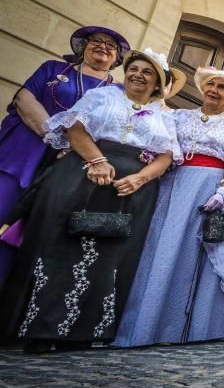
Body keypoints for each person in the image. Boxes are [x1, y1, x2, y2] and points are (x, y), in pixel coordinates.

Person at [2, 48, 180, 353]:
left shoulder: (164, 115)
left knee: (110, 257)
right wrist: (97, 161)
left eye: (147, 72)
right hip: (82, 175)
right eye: (134, 69)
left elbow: (166, 155)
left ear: (157, 84)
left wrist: (140, 178)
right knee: (60, 247)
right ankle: (40, 332)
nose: (138, 75)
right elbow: (75, 128)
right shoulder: (102, 96)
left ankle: (81, 334)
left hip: (130, 191)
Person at [113, 67, 224, 347]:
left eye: (222, 87)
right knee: (161, 246)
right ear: (202, 88)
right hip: (173, 183)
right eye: (211, 84)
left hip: (210, 186)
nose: (214, 90)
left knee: (198, 253)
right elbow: (163, 148)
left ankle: (192, 328)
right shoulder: (178, 115)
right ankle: (146, 326)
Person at [0, 26, 130, 285]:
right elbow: (24, 100)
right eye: (97, 41)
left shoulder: (118, 92)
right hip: (25, 150)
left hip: (69, 162)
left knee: (33, 231)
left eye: (111, 45)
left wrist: (77, 146)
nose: (103, 46)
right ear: (83, 46)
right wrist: (57, 136)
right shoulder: (53, 68)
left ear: (117, 58)